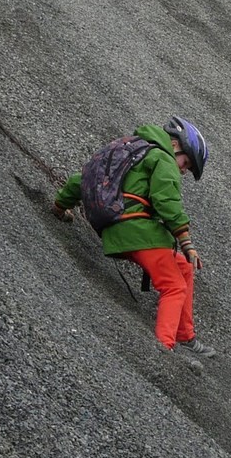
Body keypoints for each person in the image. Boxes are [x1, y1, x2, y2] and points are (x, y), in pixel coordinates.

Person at [51, 117, 215, 358]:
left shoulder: (127, 148)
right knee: (174, 286)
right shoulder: (163, 159)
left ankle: (184, 334)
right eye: (186, 163)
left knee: (184, 268)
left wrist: (60, 205)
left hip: (114, 231)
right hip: (137, 231)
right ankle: (164, 348)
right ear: (175, 145)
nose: (183, 170)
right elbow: (166, 202)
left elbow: (84, 179)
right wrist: (186, 242)